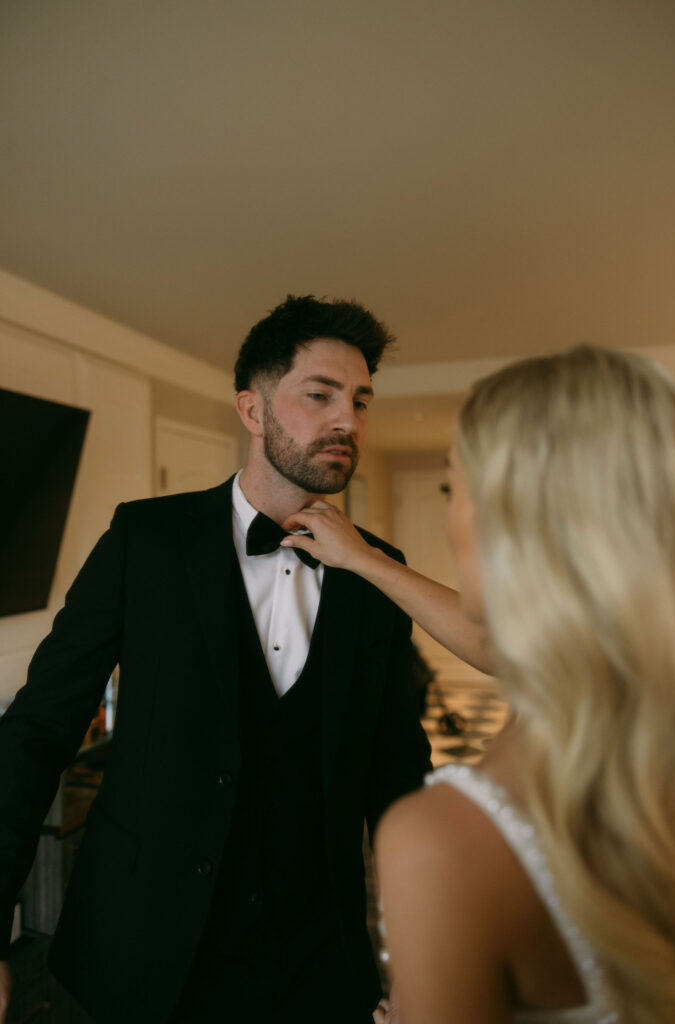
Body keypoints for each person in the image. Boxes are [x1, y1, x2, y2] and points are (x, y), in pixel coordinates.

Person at [0, 294, 457, 1024]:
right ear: (251, 410)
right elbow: (35, 731)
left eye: (361, 401)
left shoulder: (380, 573)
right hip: (137, 952)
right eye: (320, 395)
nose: (349, 420)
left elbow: (397, 774)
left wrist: (427, 961)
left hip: (317, 964)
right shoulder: (144, 540)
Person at [283, 346, 675, 1023]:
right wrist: (364, 558)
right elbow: (505, 649)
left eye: (452, 488)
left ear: (510, 522)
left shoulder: (441, 844)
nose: (451, 516)